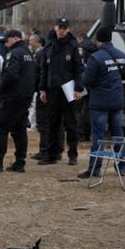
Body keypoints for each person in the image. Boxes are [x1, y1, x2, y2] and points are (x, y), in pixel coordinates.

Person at [0, 30, 35, 173]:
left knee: (2, 129)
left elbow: (10, 74)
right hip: (25, 96)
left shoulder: (14, 53)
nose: (6, 44)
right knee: (19, 129)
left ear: (15, 38)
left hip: (12, 96)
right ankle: (20, 162)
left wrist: (1, 88)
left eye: (7, 40)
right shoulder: (28, 53)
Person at [78, 27, 125, 179]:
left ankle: (94, 169)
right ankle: (121, 167)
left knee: (99, 137)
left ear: (97, 40)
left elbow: (87, 81)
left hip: (100, 103)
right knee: (118, 135)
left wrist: (83, 73)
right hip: (117, 101)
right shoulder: (121, 55)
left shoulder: (95, 57)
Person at [38, 18, 84, 166]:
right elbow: (44, 71)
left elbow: (79, 70)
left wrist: (78, 89)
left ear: (68, 29)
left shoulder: (73, 47)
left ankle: (73, 155)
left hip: (69, 90)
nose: (62, 30)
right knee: (52, 124)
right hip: (52, 91)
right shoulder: (49, 47)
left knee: (71, 123)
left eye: (65, 27)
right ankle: (51, 155)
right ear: (55, 27)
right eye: (60, 27)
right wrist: (42, 89)